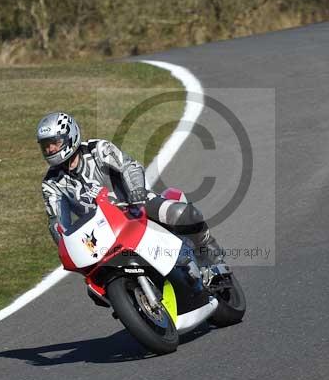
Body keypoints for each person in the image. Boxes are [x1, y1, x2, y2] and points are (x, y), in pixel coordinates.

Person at [37, 111, 225, 267]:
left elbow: (129, 166)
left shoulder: (98, 149)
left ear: (70, 136)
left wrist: (136, 190)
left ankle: (206, 246)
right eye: (46, 146)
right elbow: (56, 221)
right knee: (94, 289)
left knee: (182, 213)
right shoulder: (51, 183)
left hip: (134, 206)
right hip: (101, 236)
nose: (51, 149)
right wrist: (64, 243)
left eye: (55, 143)